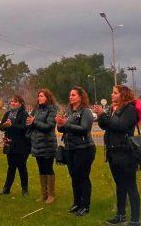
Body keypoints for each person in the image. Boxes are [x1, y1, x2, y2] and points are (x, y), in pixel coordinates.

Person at [94, 85, 141, 226]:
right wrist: (101, 116)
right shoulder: (114, 109)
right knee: (120, 185)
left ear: (123, 95)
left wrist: (104, 115)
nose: (112, 95)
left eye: (115, 93)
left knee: (130, 186)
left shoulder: (130, 109)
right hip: (113, 153)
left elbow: (121, 126)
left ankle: (135, 220)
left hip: (126, 154)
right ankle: (120, 215)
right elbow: (107, 126)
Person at [56, 86, 96, 217]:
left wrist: (65, 124)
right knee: (74, 177)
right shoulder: (69, 111)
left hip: (84, 148)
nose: (70, 97)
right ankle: (77, 203)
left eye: (73, 95)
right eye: (70, 95)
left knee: (82, 177)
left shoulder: (86, 112)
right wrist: (60, 124)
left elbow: (84, 129)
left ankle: (85, 206)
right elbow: (62, 129)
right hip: (70, 148)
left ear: (80, 96)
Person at [25, 88, 58, 204]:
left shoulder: (52, 110)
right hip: (37, 143)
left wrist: (34, 122)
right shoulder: (37, 109)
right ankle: (43, 194)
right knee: (41, 168)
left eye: (42, 96)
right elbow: (29, 121)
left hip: (47, 143)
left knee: (48, 168)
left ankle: (51, 195)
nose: (39, 98)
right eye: (38, 96)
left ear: (48, 98)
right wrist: (30, 122)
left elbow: (48, 126)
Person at [0, 94, 31, 195]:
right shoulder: (8, 113)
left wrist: (12, 125)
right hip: (10, 144)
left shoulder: (24, 114)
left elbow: (24, 128)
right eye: (12, 101)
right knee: (11, 167)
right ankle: (6, 188)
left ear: (20, 104)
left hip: (21, 145)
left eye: (15, 101)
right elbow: (1, 126)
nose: (12, 103)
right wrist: (4, 125)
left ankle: (25, 189)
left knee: (22, 167)